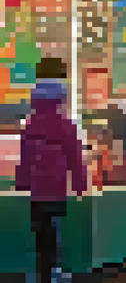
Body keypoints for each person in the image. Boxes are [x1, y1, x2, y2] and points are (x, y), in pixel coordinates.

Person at [18, 60, 88, 283]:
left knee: (40, 233)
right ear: (61, 98)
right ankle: (52, 272)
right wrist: (80, 185)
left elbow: (24, 157)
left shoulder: (30, 125)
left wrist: (22, 182)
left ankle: (42, 273)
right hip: (56, 188)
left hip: (37, 190)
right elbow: (75, 158)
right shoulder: (66, 125)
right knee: (54, 232)